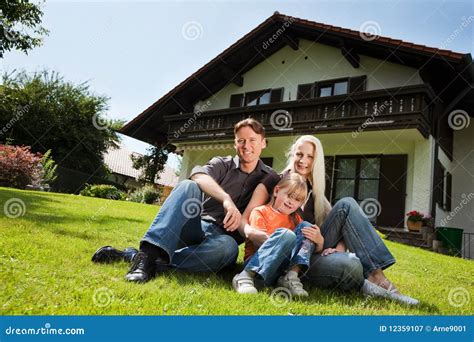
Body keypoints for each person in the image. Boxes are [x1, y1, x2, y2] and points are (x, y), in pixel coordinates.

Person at [93, 118, 277, 283]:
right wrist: (226, 199)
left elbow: (291, 188)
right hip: (194, 225)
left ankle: (139, 258)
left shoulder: (269, 177)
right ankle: (147, 256)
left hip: (222, 240)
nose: (246, 146)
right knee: (188, 185)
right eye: (241, 140)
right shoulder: (223, 163)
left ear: (263, 143)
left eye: (252, 140)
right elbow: (198, 175)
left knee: (229, 249)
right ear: (235, 143)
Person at [240, 135, 419, 305]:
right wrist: (257, 235)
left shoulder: (315, 191)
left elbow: (344, 223)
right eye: (299, 154)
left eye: (310, 157)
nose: (303, 161)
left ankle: (377, 277)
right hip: (280, 253)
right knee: (350, 265)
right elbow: (246, 218)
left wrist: (335, 247)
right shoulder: (275, 180)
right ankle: (364, 284)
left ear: (316, 161)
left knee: (347, 208)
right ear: (292, 154)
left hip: (308, 255)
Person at [233, 173, 324, 297]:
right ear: (276, 191)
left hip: (279, 272)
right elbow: (258, 245)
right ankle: (245, 276)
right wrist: (282, 239)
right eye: (289, 196)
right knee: (287, 235)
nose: (291, 202)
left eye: (297, 200)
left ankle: (291, 276)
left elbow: (306, 248)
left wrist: (319, 241)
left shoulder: (296, 219)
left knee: (307, 227)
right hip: (258, 265)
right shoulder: (260, 212)